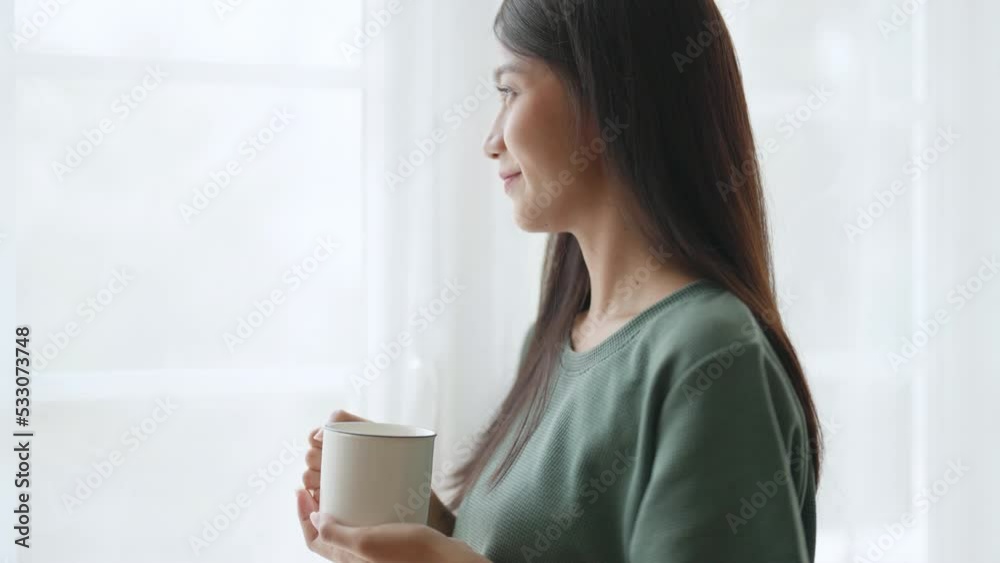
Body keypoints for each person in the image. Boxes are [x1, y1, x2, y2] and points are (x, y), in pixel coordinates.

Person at [295, 0, 821, 561]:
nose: (491, 140)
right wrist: (424, 524)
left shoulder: (705, 351)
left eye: (510, 92)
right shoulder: (555, 342)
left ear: (609, 93)